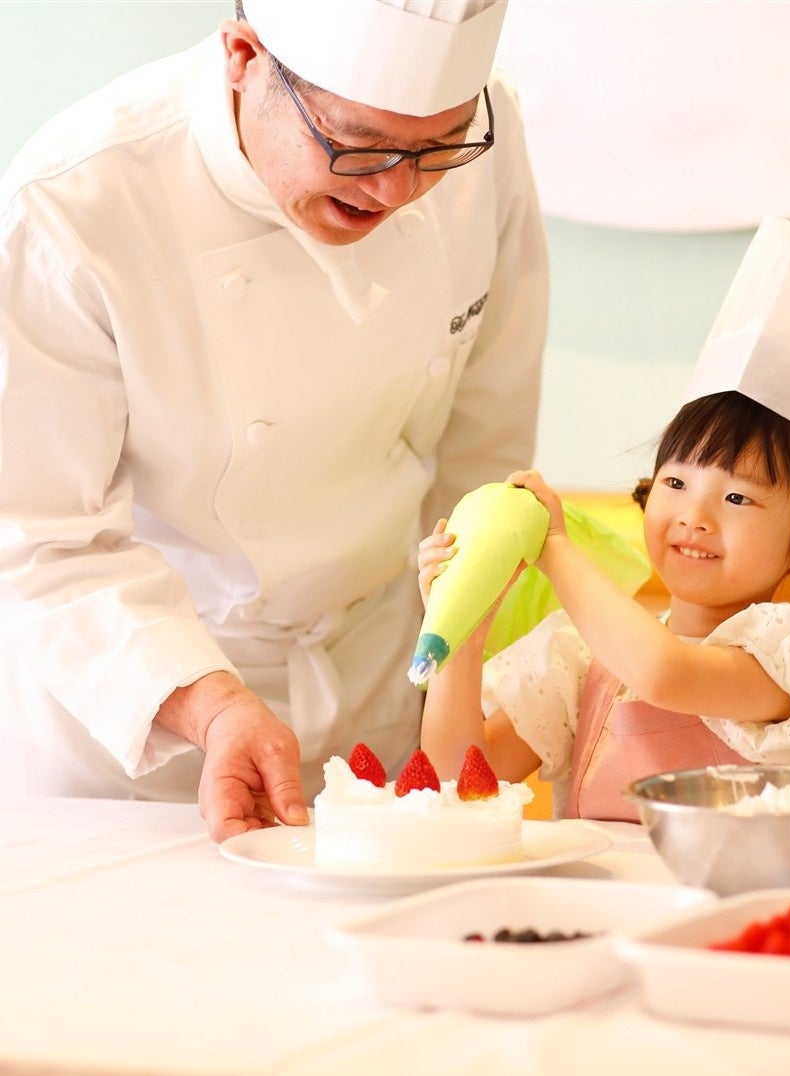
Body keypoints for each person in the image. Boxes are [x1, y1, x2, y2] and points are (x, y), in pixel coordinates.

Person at [0, 0, 547, 841]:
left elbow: (485, 444)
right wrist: (212, 706)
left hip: (379, 674)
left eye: (436, 150)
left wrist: (453, 666)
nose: (395, 189)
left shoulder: (486, 128)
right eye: (357, 144)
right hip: (146, 706)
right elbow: (41, 538)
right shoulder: (77, 202)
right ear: (243, 57)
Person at [417, 217, 790, 820]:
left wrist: (555, 548)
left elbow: (665, 674)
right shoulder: (580, 654)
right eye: (676, 483)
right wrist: (461, 628)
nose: (693, 516)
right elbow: (458, 784)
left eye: (737, 498)